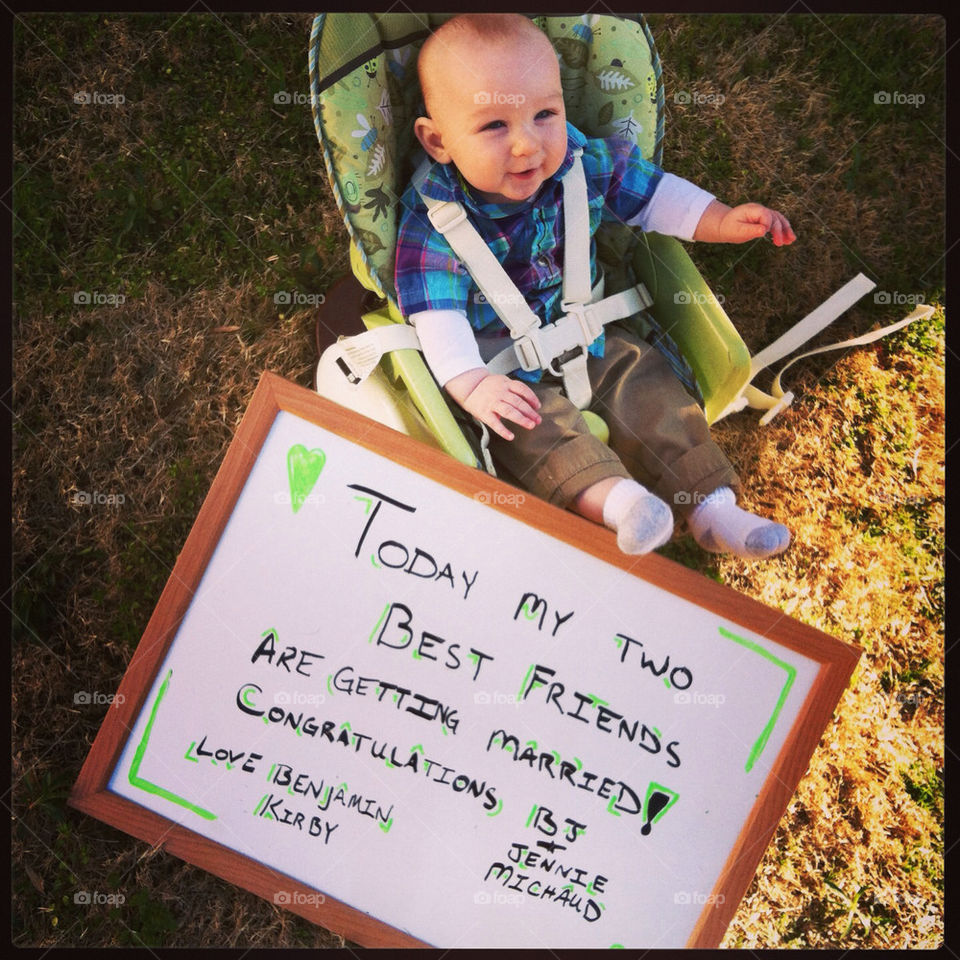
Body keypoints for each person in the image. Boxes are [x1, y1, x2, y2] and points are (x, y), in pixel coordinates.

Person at [395, 13, 796, 558]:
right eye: (494, 126)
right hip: (499, 361)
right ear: (438, 141)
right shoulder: (435, 220)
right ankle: (621, 503)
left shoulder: (583, 163)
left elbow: (654, 197)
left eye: (544, 114)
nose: (527, 145)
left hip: (593, 330)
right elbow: (435, 310)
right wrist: (471, 382)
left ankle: (712, 508)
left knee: (648, 385)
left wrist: (721, 219)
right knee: (530, 429)